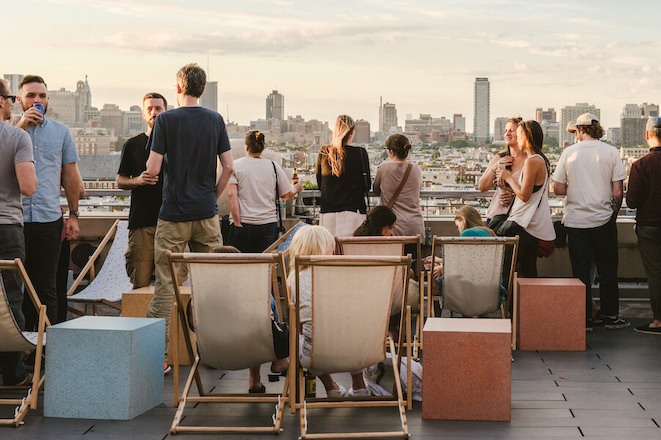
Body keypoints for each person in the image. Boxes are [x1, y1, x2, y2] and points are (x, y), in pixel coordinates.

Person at [145, 63, 234, 373]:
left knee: (165, 286)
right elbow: (229, 167)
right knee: (212, 284)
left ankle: (160, 357)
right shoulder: (215, 120)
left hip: (173, 215)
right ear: (203, 89)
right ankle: (218, 351)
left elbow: (154, 170)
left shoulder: (165, 121)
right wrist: (212, 195)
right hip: (207, 214)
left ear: (178, 88)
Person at [14, 75, 83, 328]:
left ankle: (45, 350)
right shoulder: (8, 130)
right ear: (19, 100)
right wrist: (20, 125)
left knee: (46, 287)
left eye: (42, 96)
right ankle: (17, 353)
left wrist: (74, 215)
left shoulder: (61, 132)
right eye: (31, 96)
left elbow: (70, 175)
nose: (37, 100)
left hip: (48, 220)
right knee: (13, 289)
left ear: (48, 100)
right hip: (13, 221)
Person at [553, 113, 629, 330]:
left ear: (578, 131)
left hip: (576, 221)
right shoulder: (611, 152)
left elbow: (558, 189)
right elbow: (617, 192)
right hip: (603, 218)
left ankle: (583, 317)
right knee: (607, 270)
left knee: (581, 271)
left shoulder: (569, 153)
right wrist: (610, 214)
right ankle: (610, 315)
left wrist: (575, 188)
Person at [288, 225, 368, 397]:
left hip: (316, 356)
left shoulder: (293, 279)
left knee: (301, 338)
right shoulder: (345, 274)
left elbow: (296, 325)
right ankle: (359, 385)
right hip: (358, 351)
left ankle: (331, 387)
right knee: (351, 330)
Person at [0, 79, 38, 386]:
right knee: (11, 300)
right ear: (2, 102)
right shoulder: (16, 137)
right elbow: (28, 187)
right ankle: (12, 376)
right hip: (7, 229)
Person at [116, 92, 168, 289]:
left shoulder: (174, 144)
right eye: (150, 109)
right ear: (143, 114)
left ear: (166, 111)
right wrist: (137, 181)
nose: (154, 113)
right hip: (141, 223)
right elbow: (120, 180)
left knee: (172, 284)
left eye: (158, 108)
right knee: (140, 283)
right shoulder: (132, 145)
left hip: (172, 224)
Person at [495, 120, 555, 278]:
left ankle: (509, 302)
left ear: (526, 138)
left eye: (519, 135)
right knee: (528, 271)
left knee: (506, 269)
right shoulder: (540, 160)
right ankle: (528, 302)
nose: (517, 139)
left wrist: (508, 178)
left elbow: (525, 195)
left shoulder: (532, 161)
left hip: (523, 224)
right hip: (530, 225)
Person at [227, 130, 301, 253]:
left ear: (246, 147)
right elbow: (287, 195)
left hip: (244, 223)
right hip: (268, 224)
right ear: (263, 147)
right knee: (264, 265)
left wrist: (237, 222)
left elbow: (231, 195)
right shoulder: (273, 166)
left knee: (240, 265)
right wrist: (296, 188)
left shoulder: (236, 166)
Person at [626, 117, 661, 335]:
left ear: (647, 135)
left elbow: (632, 202)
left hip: (649, 226)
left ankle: (658, 321)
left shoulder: (641, 164)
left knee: (655, 273)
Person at [316, 115, 370, 237]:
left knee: (329, 252)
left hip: (328, 212)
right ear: (352, 132)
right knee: (352, 253)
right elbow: (366, 186)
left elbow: (320, 183)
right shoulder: (360, 153)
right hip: (353, 212)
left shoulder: (324, 152)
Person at [373, 133, 423, 259]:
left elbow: (376, 189)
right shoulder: (416, 168)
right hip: (414, 226)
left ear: (391, 151)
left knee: (395, 267)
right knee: (413, 265)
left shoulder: (384, 168)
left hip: (393, 226)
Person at [478, 116, 526, 229]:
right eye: (505, 131)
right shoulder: (499, 157)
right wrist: (496, 166)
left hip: (518, 220)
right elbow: (482, 187)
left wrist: (514, 196)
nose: (507, 134)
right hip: (495, 218)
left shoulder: (529, 161)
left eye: (511, 130)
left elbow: (533, 194)